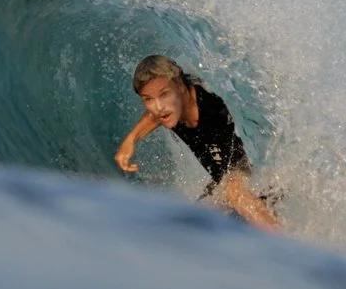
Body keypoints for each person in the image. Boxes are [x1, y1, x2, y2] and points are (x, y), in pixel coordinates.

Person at [114, 54, 280, 231]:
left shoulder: (211, 104)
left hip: (257, 177)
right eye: (148, 99)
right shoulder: (171, 109)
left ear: (180, 86)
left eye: (164, 94)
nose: (158, 107)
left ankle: (286, 246)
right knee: (191, 221)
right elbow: (152, 117)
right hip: (224, 181)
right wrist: (130, 140)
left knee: (234, 193)